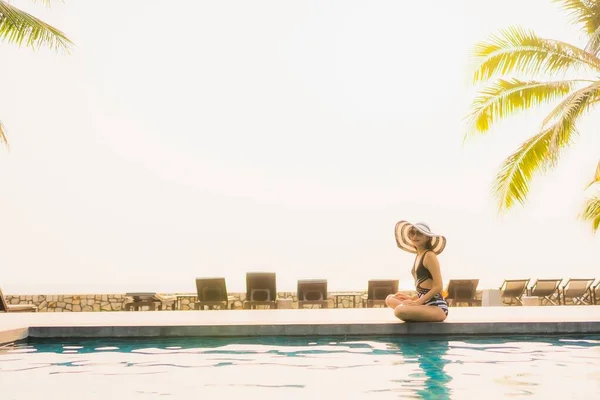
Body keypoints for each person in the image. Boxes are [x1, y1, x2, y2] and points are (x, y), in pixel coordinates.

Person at [385, 221, 448, 322]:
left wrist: (418, 302)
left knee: (399, 311)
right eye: (412, 233)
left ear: (427, 237)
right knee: (390, 298)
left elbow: (438, 287)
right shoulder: (419, 255)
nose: (415, 236)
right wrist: (411, 298)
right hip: (423, 304)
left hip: (436, 308)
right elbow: (425, 288)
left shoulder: (429, 255)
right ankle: (415, 311)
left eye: (419, 233)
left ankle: (414, 311)